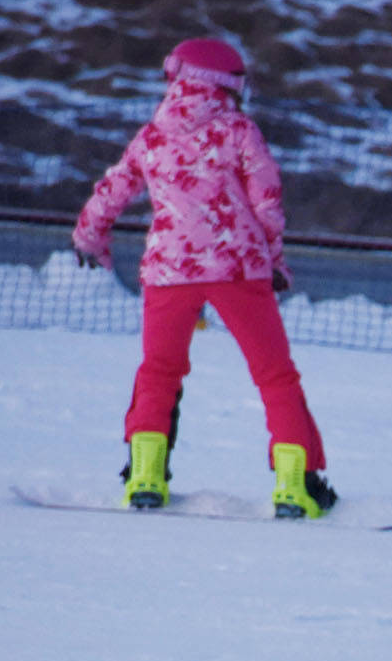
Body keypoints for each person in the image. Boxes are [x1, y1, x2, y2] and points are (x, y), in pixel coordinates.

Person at [73, 38, 334, 519]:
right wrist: (274, 260)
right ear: (229, 84)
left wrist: (90, 237)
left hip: (169, 271)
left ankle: (146, 478)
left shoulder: (152, 135)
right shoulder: (239, 130)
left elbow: (113, 188)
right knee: (275, 375)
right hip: (239, 269)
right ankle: (295, 487)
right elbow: (267, 199)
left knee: (158, 371)